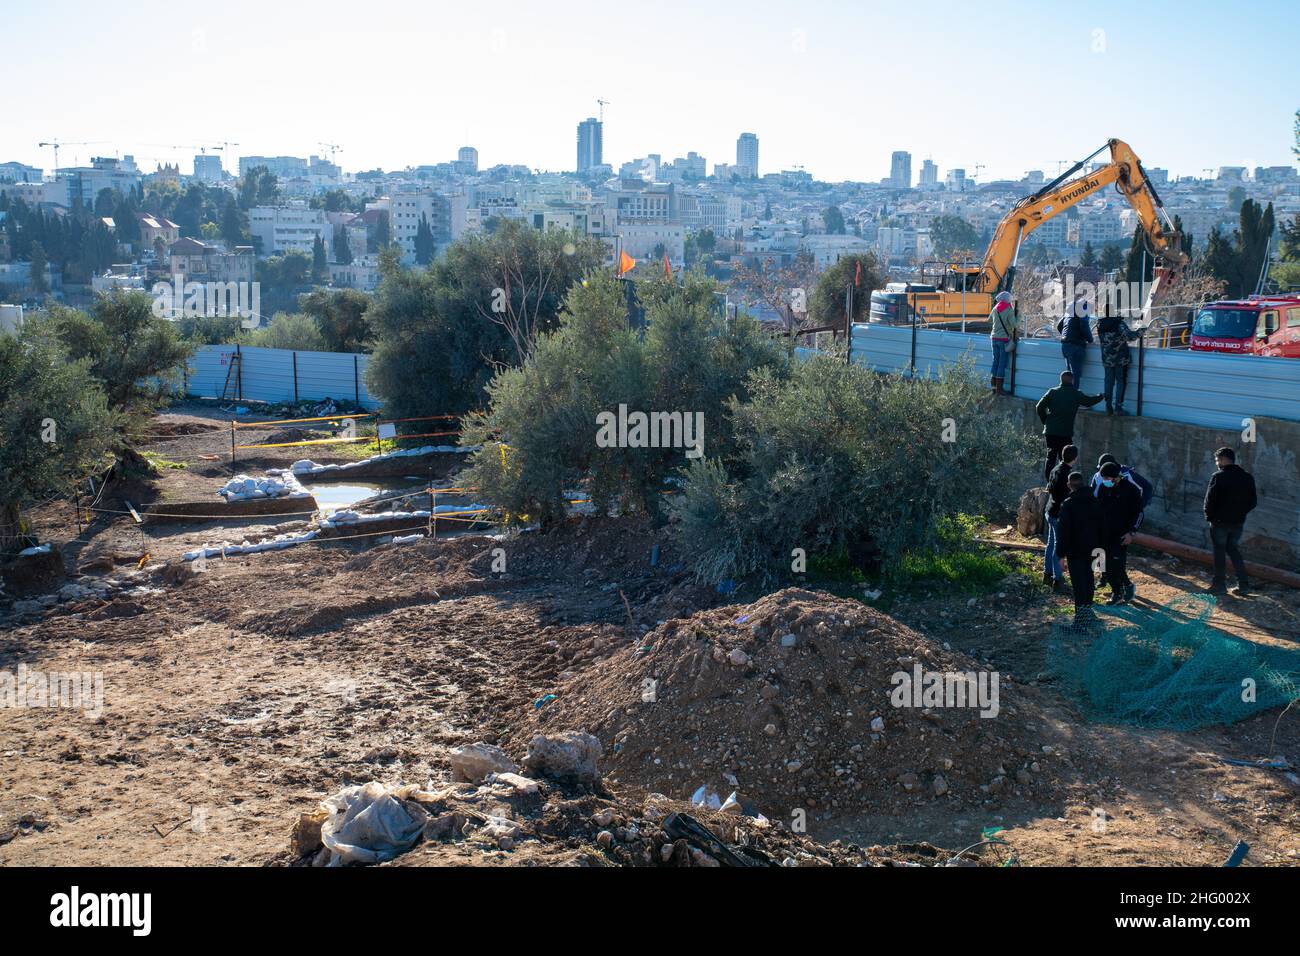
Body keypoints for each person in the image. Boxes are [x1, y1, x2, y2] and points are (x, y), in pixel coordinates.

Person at [1203, 446, 1258, 596]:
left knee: (1219, 552)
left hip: (1219, 523)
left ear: (1222, 459)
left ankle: (1219, 585)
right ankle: (1244, 585)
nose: (1216, 463)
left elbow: (1209, 501)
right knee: (1233, 550)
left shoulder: (1218, 476)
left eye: (1217, 460)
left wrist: (1210, 517)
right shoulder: (1247, 477)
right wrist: (1240, 514)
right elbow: (1253, 502)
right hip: (1237, 523)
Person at [1035, 370, 1104, 481]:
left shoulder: (1052, 392)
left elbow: (1039, 407)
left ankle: (1049, 482)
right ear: (1072, 380)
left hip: (1050, 432)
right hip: (1065, 433)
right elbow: (1088, 402)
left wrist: (1046, 421)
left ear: (1060, 379)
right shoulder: (1075, 393)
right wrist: (1101, 396)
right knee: (1065, 459)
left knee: (1050, 457)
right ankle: (1062, 481)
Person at [1055, 471, 1101, 624]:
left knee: (1079, 586)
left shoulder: (1068, 505)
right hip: (1094, 550)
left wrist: (1060, 555)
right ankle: (1088, 612)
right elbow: (1103, 527)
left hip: (1075, 552)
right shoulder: (1095, 502)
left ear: (1069, 485)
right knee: (1089, 581)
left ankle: (1080, 623)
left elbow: (1063, 532)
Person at [1095, 460, 1143, 604]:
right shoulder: (1103, 488)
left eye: (1107, 478)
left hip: (1122, 535)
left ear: (1116, 477)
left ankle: (1120, 591)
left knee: (1116, 564)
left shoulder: (1131, 490)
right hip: (1104, 533)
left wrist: (1131, 533)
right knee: (1104, 564)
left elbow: (1139, 514)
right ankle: (1121, 588)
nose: (1104, 481)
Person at [1043, 444, 1078, 591]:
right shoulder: (1068, 476)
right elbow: (1067, 498)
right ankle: (1057, 581)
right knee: (1058, 547)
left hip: (1049, 511)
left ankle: (1047, 574)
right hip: (1059, 516)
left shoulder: (1055, 469)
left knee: (1051, 544)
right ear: (1075, 459)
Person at [1097, 310, 1139, 415]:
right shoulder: (1119, 323)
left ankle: (1108, 406)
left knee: (1108, 382)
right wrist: (1142, 329)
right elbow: (1131, 337)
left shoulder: (1100, 324)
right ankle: (1118, 408)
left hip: (1107, 358)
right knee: (1121, 381)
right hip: (1121, 359)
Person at [1089, 453, 1154, 510]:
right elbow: (1093, 496)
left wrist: (1138, 507)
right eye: (1100, 469)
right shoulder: (1097, 476)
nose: (1101, 473)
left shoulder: (1127, 474)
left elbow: (1147, 487)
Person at [1057, 299, 1094, 385]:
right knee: (1075, 375)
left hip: (1065, 345)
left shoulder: (1069, 312)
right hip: (1075, 346)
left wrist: (1066, 335)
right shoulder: (1083, 309)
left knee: (1068, 375)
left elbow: (1059, 326)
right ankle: (1073, 397)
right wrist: (1090, 339)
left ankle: (1066, 395)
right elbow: (1084, 326)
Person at [988, 291, 1015, 394]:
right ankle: (1000, 389)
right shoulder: (1009, 309)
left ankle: (993, 388)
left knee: (995, 361)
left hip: (993, 338)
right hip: (1003, 340)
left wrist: (997, 324)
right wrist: (1020, 316)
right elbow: (1015, 324)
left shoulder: (995, 308)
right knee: (1002, 363)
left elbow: (989, 320)